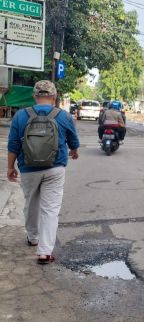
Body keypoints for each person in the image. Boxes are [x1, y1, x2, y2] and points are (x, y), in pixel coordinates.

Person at [6, 80, 80, 264]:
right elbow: (73, 140)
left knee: (31, 203)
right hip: (55, 168)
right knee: (50, 209)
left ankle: (32, 237)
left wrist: (10, 167)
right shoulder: (63, 116)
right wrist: (74, 150)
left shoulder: (21, 116)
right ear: (54, 97)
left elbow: (13, 145)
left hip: (28, 168)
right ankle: (44, 252)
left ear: (34, 96)